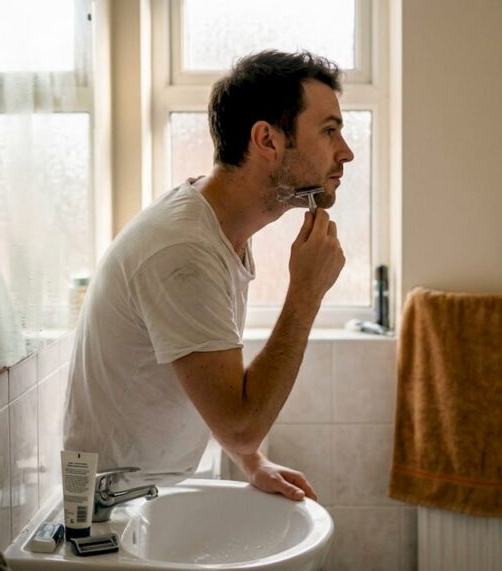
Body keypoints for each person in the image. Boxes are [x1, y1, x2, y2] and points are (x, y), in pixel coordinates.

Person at [63, 50, 354, 501]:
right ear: (267, 140)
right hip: (111, 510)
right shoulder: (184, 251)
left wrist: (252, 462)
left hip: (141, 495)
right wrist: (306, 292)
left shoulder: (218, 228)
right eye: (330, 130)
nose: (346, 152)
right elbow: (240, 426)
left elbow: (204, 375)